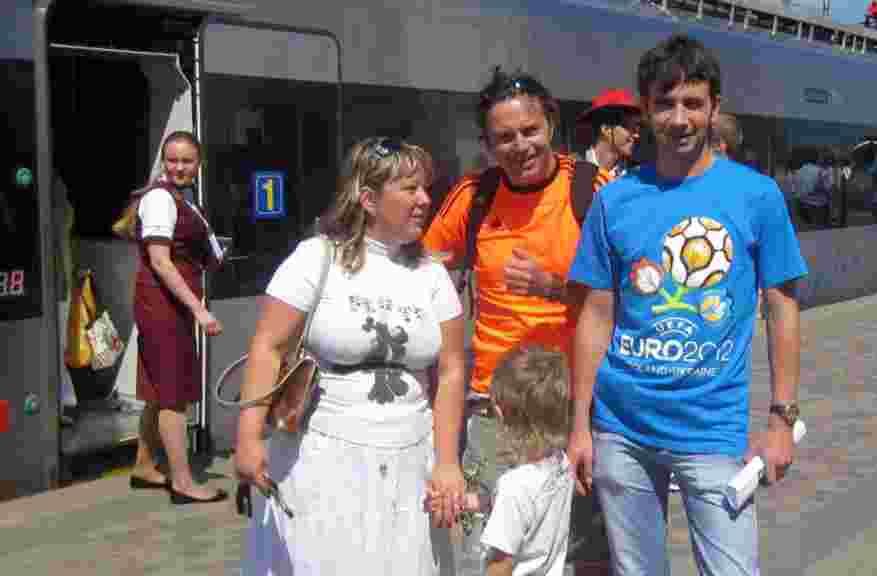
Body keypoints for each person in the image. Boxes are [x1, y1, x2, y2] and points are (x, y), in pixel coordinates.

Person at [567, 33, 808, 576]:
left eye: (693, 103)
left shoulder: (756, 195)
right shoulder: (614, 200)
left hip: (711, 431)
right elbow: (596, 316)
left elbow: (783, 306)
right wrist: (580, 425)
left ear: (714, 108)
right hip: (620, 430)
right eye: (665, 103)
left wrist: (781, 419)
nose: (679, 119)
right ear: (646, 109)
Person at [235, 137, 467, 574]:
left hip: (409, 459)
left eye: (425, 188)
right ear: (368, 198)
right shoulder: (317, 257)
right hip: (322, 457)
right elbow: (267, 346)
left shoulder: (432, 273)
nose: (425, 199)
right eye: (410, 189)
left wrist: (448, 462)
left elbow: (452, 371)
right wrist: (248, 438)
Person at [422, 67, 612, 574]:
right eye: (504, 137)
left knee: (582, 547)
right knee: (493, 546)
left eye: (530, 131)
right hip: (495, 407)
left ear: (551, 123)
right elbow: (422, 269)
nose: (520, 146)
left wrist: (553, 285)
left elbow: (634, 294)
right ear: (486, 144)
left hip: (579, 404)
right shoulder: (473, 197)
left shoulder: (596, 191)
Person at [130, 131, 228, 504]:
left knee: (158, 390)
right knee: (173, 396)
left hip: (164, 304)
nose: (179, 167)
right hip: (164, 306)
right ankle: (183, 483)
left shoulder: (179, 199)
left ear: (198, 163)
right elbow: (160, 260)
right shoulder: (160, 199)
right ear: (163, 161)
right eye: (172, 160)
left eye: (186, 161)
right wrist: (199, 310)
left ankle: (143, 464)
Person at [426, 344, 574, 576]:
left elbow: (501, 564)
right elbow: (520, 509)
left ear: (500, 412)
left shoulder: (514, 485)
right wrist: (465, 501)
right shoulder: (560, 464)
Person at [577, 89, 643, 179]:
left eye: (637, 128)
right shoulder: (571, 169)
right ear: (606, 129)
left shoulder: (637, 175)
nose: (636, 135)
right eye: (629, 128)